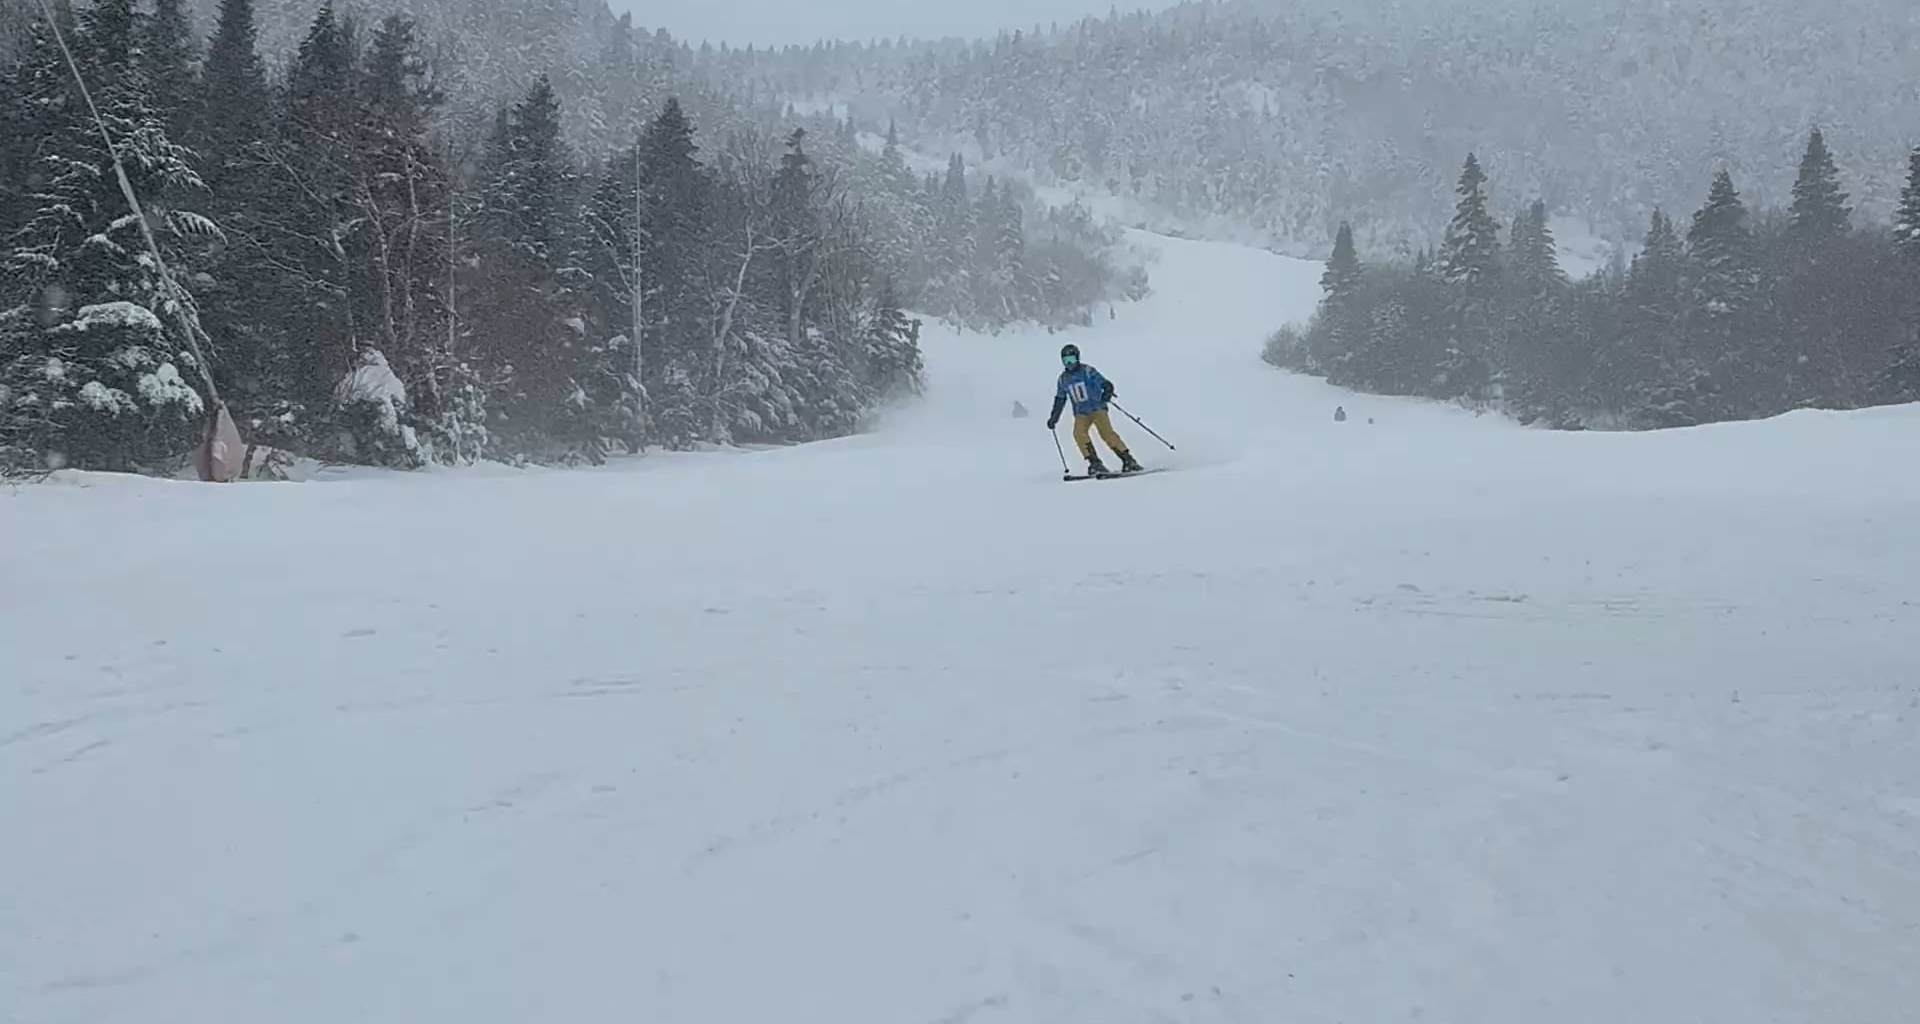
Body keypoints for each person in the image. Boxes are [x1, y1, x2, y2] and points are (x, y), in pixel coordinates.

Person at [1047, 343, 1143, 475]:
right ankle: (1095, 463)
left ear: (1078, 358)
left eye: (1072, 360)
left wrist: (1107, 390)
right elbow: (1060, 399)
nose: (1069, 363)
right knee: (1078, 433)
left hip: (1097, 408)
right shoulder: (1063, 379)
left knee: (1106, 433)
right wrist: (1054, 418)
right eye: (1066, 361)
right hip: (1081, 413)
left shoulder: (1087, 371)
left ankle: (1128, 460)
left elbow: (1104, 382)